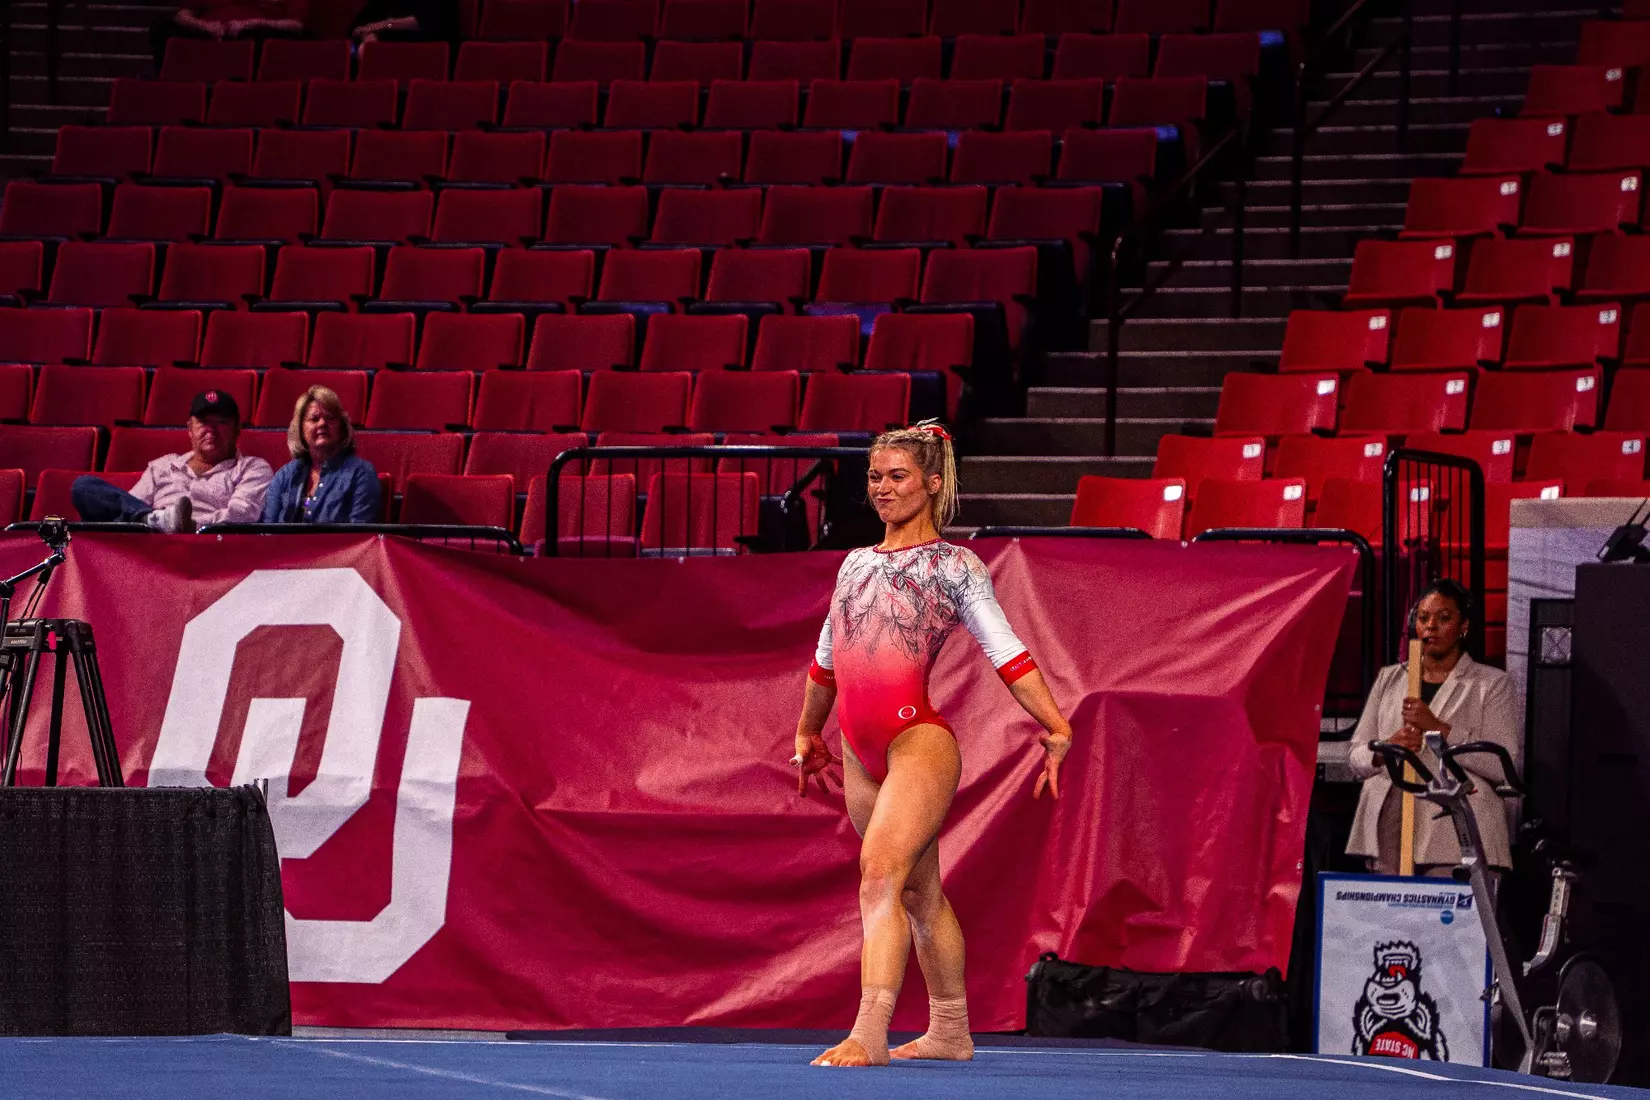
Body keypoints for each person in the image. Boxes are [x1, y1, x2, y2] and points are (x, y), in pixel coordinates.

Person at [792, 420, 1074, 1069]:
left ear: (933, 482)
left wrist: (1055, 726)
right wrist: (809, 730)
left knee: (879, 874)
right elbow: (826, 661)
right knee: (918, 892)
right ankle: (950, 1030)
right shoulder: (855, 563)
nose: (882, 489)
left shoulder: (954, 566)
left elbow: (1007, 654)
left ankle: (869, 1031)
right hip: (859, 749)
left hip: (917, 740)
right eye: (874, 477)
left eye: (896, 477)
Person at [1346, 579, 1521, 877]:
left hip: (1456, 826)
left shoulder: (1491, 684)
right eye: (1424, 618)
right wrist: (1385, 747)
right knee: (1388, 920)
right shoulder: (1390, 678)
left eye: (1444, 618)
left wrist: (1439, 729)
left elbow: (1503, 765)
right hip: (1390, 819)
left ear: (1464, 625)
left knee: (1446, 918)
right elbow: (1355, 756)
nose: (1431, 627)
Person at [72, 390, 272, 533]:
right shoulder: (163, 466)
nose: (211, 429)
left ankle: (158, 521)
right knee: (84, 486)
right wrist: (154, 521)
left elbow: (241, 517)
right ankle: (156, 520)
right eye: (203, 422)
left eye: (221, 422)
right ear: (189, 429)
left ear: (237, 429)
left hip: (208, 545)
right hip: (149, 543)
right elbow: (131, 506)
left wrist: (186, 524)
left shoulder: (252, 468)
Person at [261, 386, 381, 524]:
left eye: (330, 418)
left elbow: (360, 537)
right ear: (300, 429)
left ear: (342, 428)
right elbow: (267, 531)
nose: (322, 423)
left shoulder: (361, 473)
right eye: (314, 419)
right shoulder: (285, 475)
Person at [151, 1, 310, 67]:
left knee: (264, 37)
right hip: (209, 35)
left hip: (255, 35)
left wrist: (252, 24)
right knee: (161, 28)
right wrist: (204, 26)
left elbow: (297, 25)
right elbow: (182, 15)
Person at [350, 0, 460, 43]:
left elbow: (427, 20)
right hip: (387, 44)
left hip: (426, 45)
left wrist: (385, 25)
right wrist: (369, 34)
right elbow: (363, 22)